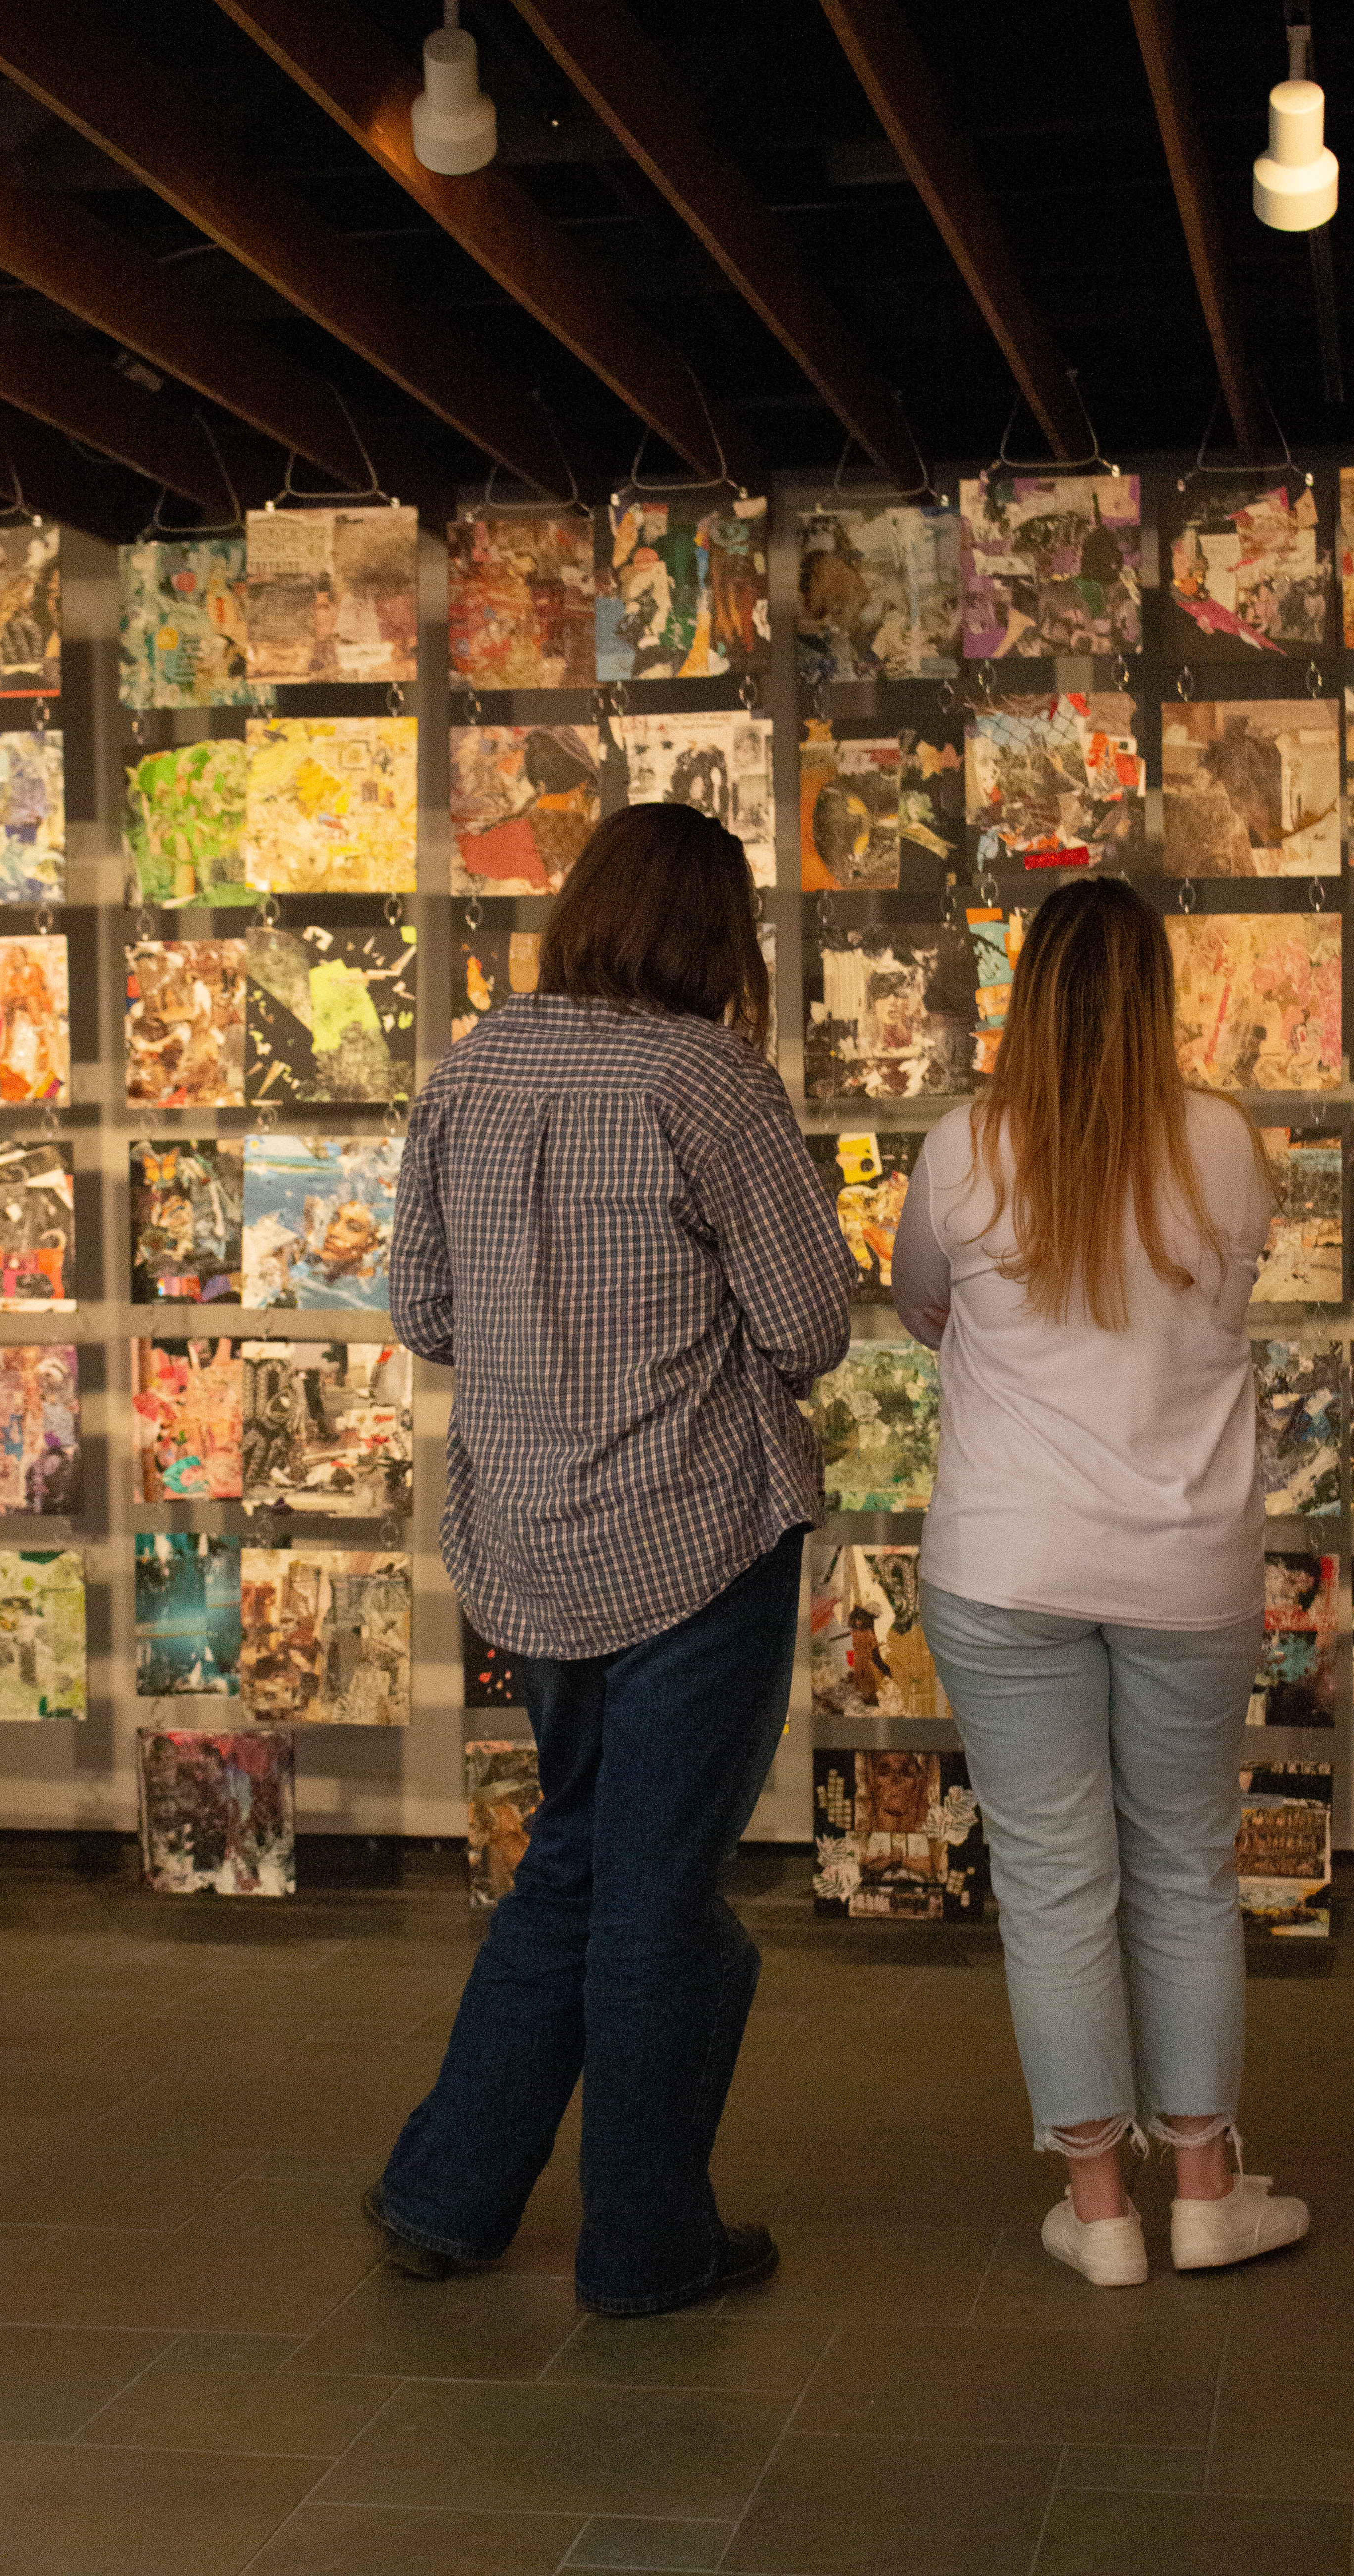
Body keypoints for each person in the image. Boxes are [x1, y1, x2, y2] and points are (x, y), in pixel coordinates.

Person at [370, 803, 853, 2316]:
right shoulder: (707, 1082)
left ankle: (449, 2192)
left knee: (577, 1855)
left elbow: (422, 1315)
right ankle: (645, 2247)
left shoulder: (477, 1066)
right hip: (695, 1541)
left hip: (525, 1543)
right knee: (653, 1892)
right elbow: (810, 1328)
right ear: (720, 935)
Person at [892, 877, 1310, 2287]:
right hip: (1187, 1559)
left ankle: (1103, 2214)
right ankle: (1205, 2191)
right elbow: (1224, 1309)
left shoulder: (964, 1149)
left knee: (1058, 1884)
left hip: (1006, 1558)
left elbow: (921, 1302)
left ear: (1028, 994)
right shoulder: (1225, 1149)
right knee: (1186, 1870)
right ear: (1158, 998)